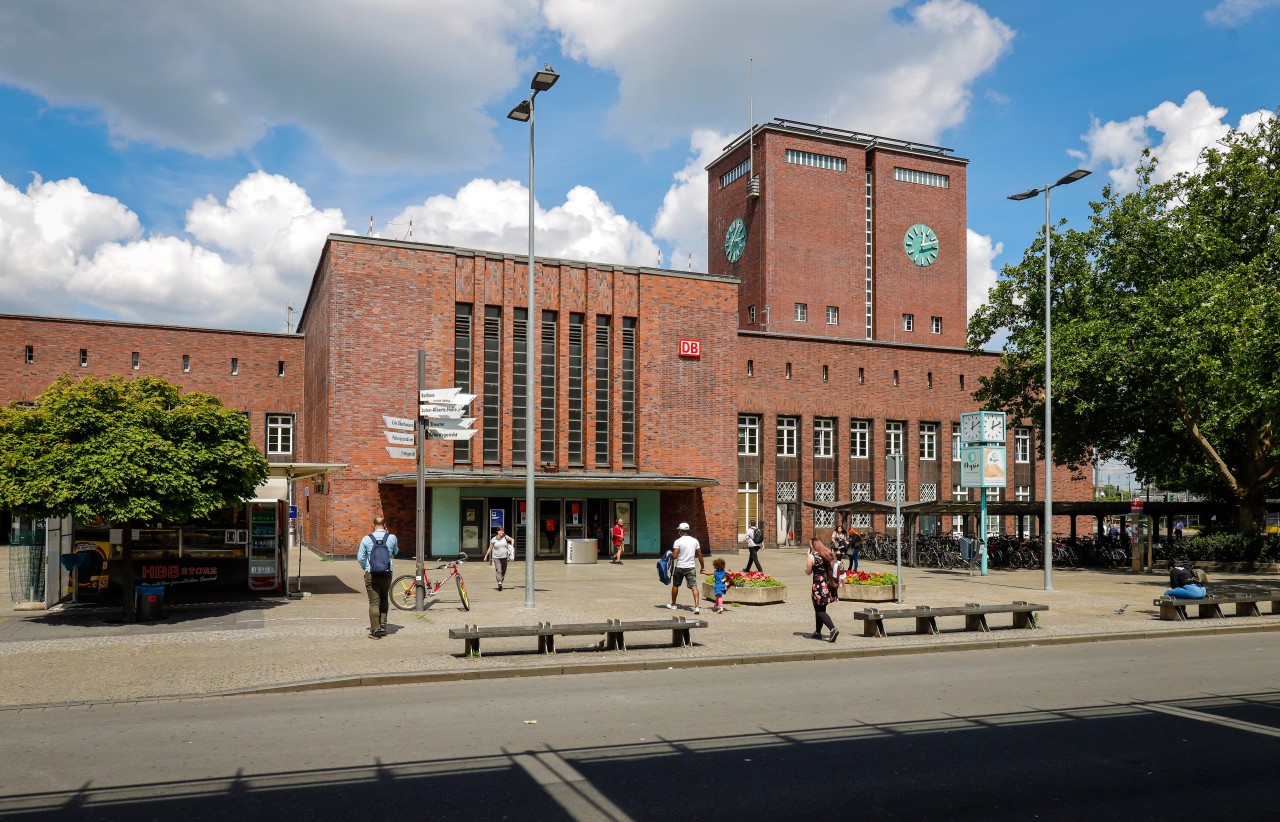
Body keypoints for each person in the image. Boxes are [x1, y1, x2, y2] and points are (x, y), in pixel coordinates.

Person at [357, 515, 399, 639]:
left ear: (373, 525)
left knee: (374, 602)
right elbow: (395, 552)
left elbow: (360, 558)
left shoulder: (366, 539)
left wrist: (367, 567)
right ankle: (383, 625)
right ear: (385, 525)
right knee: (384, 598)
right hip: (387, 573)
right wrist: (389, 536)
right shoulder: (392, 537)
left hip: (372, 574)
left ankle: (375, 630)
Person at [806, 536, 840, 642]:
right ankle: (818, 632)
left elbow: (807, 572)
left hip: (818, 586)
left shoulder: (812, 557)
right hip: (827, 585)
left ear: (813, 545)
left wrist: (808, 556)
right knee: (821, 609)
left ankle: (833, 629)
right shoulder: (827, 555)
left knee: (819, 610)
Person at [667, 522, 705, 613]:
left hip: (680, 566)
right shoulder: (695, 541)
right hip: (691, 567)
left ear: (680, 531)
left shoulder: (678, 541)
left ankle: (673, 604)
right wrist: (702, 567)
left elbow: (675, 556)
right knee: (694, 586)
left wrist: (669, 555)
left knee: (675, 585)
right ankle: (696, 607)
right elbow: (700, 555)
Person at [483, 526, 514, 591]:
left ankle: (500, 581)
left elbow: (512, 539)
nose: (502, 532)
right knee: (499, 570)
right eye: (501, 531)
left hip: (505, 557)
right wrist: (486, 555)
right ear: (497, 531)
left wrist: (511, 546)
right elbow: (490, 548)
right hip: (496, 558)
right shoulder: (493, 539)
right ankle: (499, 583)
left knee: (503, 571)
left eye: (503, 531)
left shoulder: (505, 537)